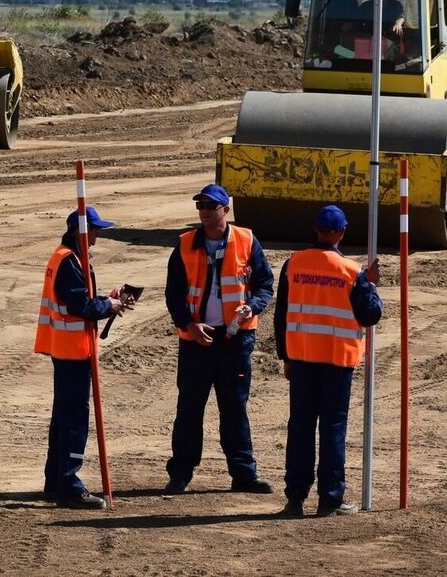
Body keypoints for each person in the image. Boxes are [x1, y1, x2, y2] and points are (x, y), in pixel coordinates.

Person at [163, 184, 275, 495]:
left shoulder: (246, 240)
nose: (205, 212)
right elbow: (173, 295)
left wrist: (251, 306)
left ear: (225, 210)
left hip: (235, 341)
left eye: (211, 206)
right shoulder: (185, 244)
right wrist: (189, 324)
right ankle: (181, 474)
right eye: (201, 206)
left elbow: (265, 285)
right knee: (189, 409)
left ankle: (243, 474)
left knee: (234, 408)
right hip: (197, 341)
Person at [274, 205, 383, 517]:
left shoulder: (293, 264)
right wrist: (370, 284)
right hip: (337, 361)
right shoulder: (351, 272)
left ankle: (295, 498)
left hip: (303, 359)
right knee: (333, 428)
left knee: (301, 428)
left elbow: (282, 315)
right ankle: (330, 499)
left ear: (316, 229)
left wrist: (285, 356)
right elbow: (370, 314)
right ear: (342, 232)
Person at [34, 206, 133, 509]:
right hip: (73, 351)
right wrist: (108, 307)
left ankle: (56, 480)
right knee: (75, 419)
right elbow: (80, 305)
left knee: (64, 418)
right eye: (94, 230)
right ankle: (69, 484)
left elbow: (81, 298)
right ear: (81, 230)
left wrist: (108, 299)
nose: (97, 237)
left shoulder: (66, 256)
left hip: (67, 348)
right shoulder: (69, 260)